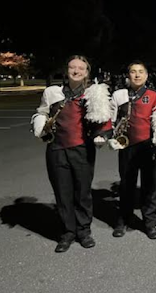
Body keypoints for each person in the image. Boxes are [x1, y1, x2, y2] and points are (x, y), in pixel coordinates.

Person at [31, 55, 112, 253]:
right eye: (72, 67)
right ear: (66, 70)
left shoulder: (93, 93)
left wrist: (102, 135)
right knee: (62, 192)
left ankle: (84, 231)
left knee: (82, 193)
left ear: (86, 72)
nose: (76, 71)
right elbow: (42, 111)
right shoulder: (52, 92)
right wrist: (39, 123)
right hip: (57, 149)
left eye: (80, 68)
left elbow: (104, 119)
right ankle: (67, 232)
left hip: (82, 149)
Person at [109, 61, 156, 240]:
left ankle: (150, 222)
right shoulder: (119, 95)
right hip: (127, 147)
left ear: (146, 76)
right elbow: (111, 119)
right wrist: (112, 137)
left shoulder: (153, 95)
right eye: (133, 72)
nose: (137, 75)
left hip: (148, 148)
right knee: (126, 184)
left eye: (140, 72)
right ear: (128, 75)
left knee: (150, 186)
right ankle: (124, 218)